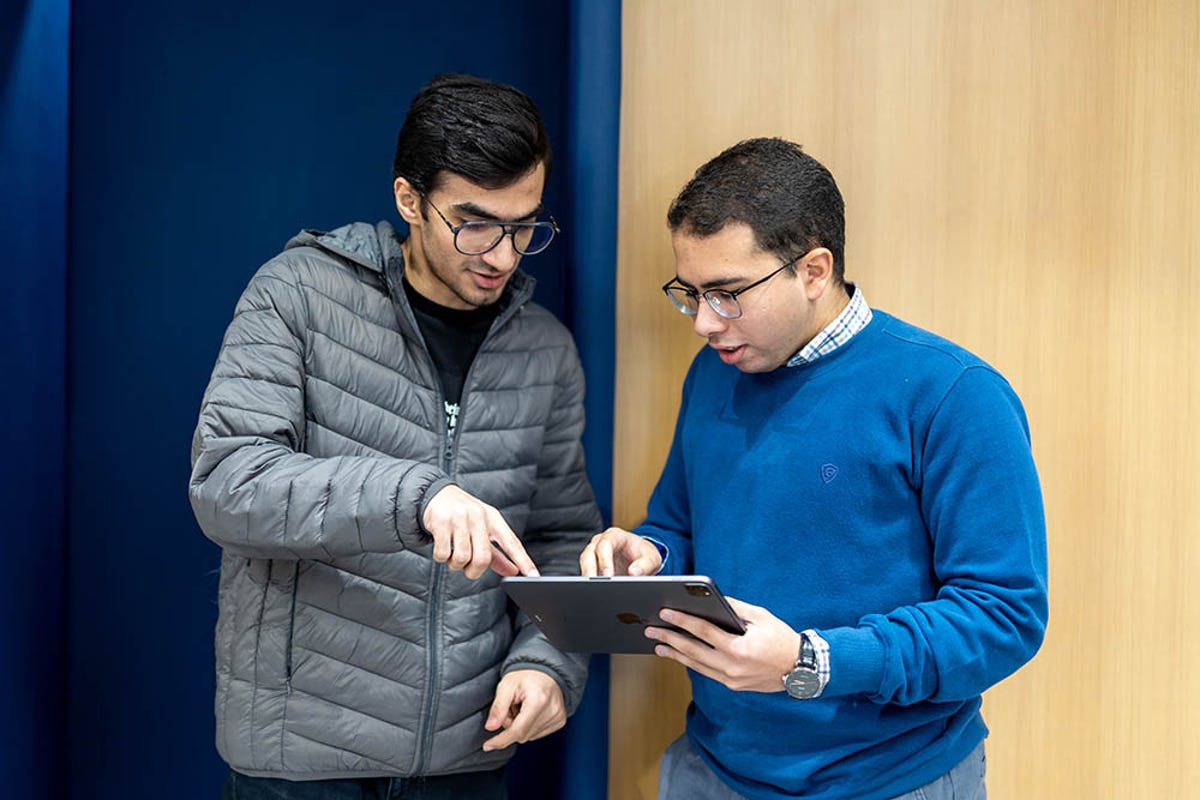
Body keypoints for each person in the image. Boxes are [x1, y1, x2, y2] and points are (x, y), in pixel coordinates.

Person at [580, 137, 1048, 800]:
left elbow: (1003, 616)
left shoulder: (954, 395)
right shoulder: (714, 373)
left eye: (728, 294)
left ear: (814, 271)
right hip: (711, 768)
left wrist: (812, 662)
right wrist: (650, 554)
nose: (704, 323)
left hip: (890, 781)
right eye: (692, 293)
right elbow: (679, 525)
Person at [189, 72, 602, 799]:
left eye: (525, 227)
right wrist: (416, 496)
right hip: (300, 758)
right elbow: (228, 483)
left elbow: (561, 540)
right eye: (474, 223)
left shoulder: (546, 349)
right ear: (409, 199)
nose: (503, 255)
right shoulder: (296, 293)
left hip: (467, 758)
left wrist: (548, 663)